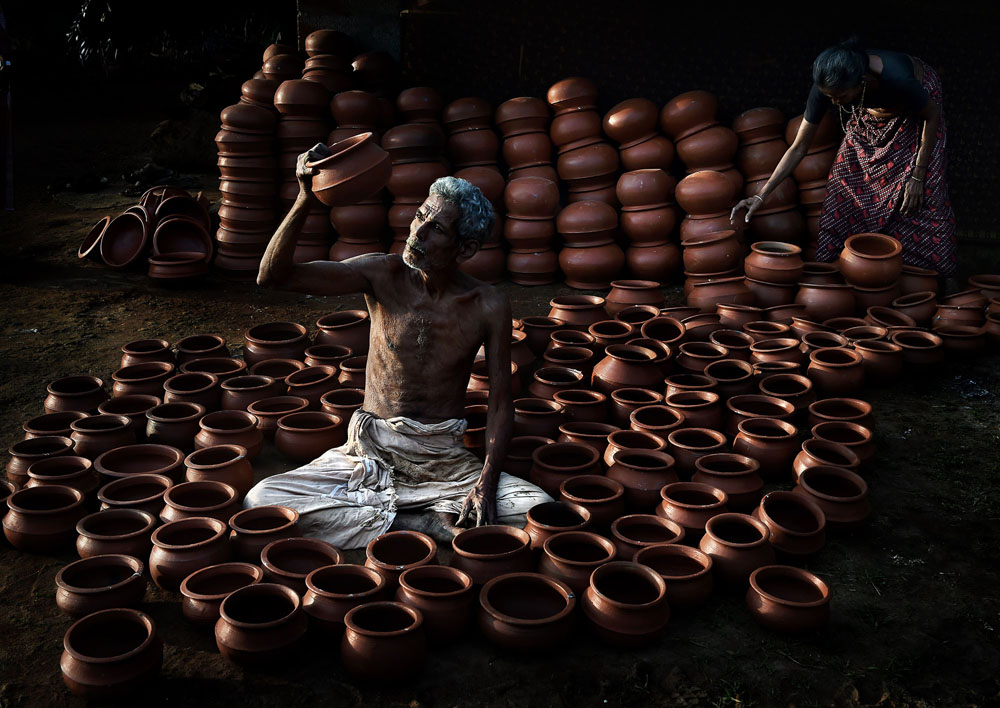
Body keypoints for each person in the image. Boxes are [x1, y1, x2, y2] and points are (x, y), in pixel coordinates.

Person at [244, 144, 552, 549]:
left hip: (442, 457)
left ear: (466, 249)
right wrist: (305, 196)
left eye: (436, 228)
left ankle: (391, 514)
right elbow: (272, 276)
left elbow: (498, 403)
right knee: (262, 500)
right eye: (420, 215)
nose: (417, 231)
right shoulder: (381, 273)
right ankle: (419, 521)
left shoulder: (487, 304)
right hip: (370, 449)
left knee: (536, 508)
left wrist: (485, 482)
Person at [731, 37, 957, 276]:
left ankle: (941, 279)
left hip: (918, 113)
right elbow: (799, 147)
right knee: (843, 183)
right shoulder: (828, 86)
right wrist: (761, 195)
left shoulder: (898, 79)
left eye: (840, 96)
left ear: (862, 83)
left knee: (922, 196)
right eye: (830, 97)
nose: (835, 103)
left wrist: (918, 177)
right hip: (871, 112)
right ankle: (837, 272)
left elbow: (931, 116)